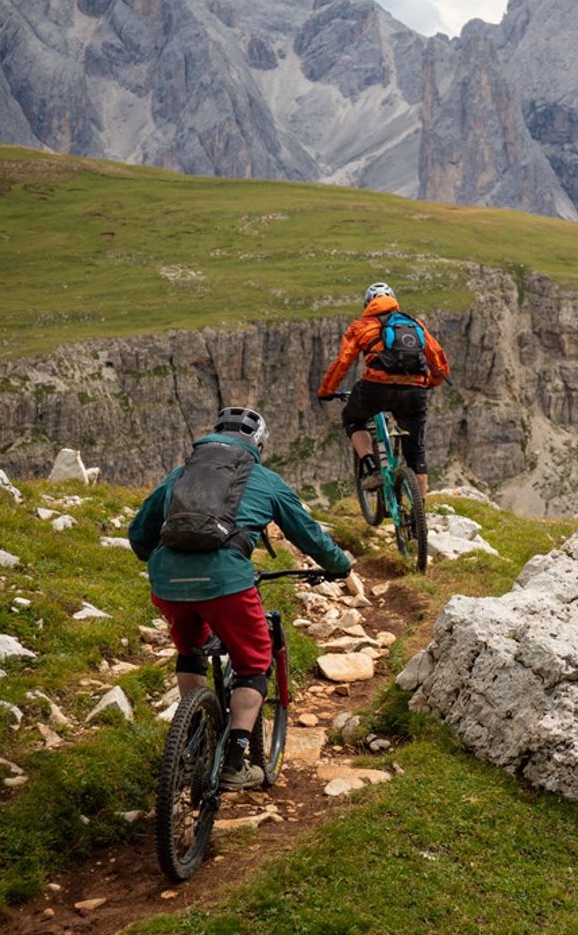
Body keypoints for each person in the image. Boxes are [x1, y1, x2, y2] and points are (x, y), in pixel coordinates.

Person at [129, 406, 352, 790]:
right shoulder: (266, 480)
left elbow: (139, 536)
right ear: (258, 443)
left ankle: (192, 737)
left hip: (166, 581)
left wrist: (172, 565)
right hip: (227, 582)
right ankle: (235, 762)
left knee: (191, 648)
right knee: (253, 663)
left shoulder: (179, 474)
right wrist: (339, 565)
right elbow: (309, 534)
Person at [316, 281, 449, 499]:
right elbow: (438, 359)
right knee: (416, 453)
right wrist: (430, 383)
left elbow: (342, 362)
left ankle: (371, 467)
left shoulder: (360, 327)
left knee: (352, 419)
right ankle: (419, 518)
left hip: (376, 388)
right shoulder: (413, 324)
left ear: (367, 304)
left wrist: (326, 390)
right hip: (413, 390)